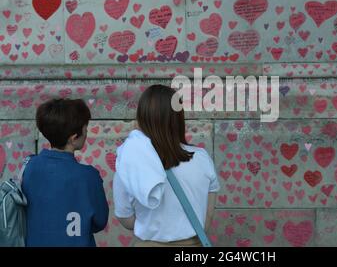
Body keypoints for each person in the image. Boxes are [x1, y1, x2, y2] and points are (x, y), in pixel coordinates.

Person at [113, 84, 220, 247]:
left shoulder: (130, 161)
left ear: (142, 118)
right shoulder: (202, 158)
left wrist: (152, 227)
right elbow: (207, 217)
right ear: (178, 119)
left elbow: (125, 217)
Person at [22, 98, 109, 247]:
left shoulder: (29, 166)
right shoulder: (89, 176)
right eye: (85, 129)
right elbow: (99, 221)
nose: (86, 133)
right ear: (73, 138)